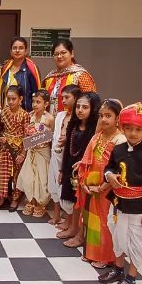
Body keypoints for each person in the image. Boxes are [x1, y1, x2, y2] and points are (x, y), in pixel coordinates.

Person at [98, 102, 142, 284]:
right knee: (117, 237)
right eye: (129, 129)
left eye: (138, 130)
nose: (133, 133)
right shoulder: (118, 150)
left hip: (138, 207)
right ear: (123, 128)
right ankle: (118, 269)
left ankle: (131, 278)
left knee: (136, 242)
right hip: (118, 204)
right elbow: (109, 167)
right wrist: (109, 175)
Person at [77, 99, 125, 269]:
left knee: (105, 222)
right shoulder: (97, 136)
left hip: (107, 188)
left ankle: (106, 257)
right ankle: (92, 253)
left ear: (117, 118)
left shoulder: (120, 139)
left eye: (108, 116)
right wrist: (83, 181)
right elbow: (86, 160)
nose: (104, 119)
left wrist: (101, 187)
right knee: (91, 220)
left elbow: (118, 170)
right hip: (90, 186)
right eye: (101, 115)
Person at [58, 91, 101, 247]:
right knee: (73, 200)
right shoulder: (74, 124)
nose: (80, 110)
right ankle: (73, 228)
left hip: (87, 170)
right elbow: (67, 150)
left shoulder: (96, 128)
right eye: (78, 106)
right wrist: (62, 170)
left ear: (93, 108)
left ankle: (81, 235)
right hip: (71, 168)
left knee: (83, 203)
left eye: (85, 107)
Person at [0, 85, 31, 211]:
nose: (10, 102)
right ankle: (1, 197)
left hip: (18, 148)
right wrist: (0, 137)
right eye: (8, 99)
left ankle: (15, 199)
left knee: (17, 174)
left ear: (20, 99)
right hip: (5, 147)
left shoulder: (25, 115)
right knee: (1, 171)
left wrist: (23, 154)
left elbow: (27, 136)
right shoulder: (4, 112)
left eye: (13, 99)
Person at [17, 90, 54, 218]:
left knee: (42, 178)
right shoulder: (29, 116)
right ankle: (31, 201)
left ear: (46, 104)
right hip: (31, 151)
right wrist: (23, 153)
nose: (35, 104)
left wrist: (42, 139)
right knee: (29, 177)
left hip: (43, 152)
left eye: (38, 102)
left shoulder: (49, 118)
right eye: (33, 102)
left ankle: (40, 203)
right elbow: (25, 136)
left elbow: (52, 136)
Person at [48, 85, 81, 226]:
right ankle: (56, 215)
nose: (64, 101)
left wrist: (67, 140)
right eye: (62, 98)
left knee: (66, 188)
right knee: (53, 185)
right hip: (55, 155)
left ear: (76, 98)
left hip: (68, 158)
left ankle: (69, 220)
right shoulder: (60, 115)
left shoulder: (78, 118)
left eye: (67, 97)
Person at [43, 39, 97, 113]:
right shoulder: (50, 77)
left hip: (73, 119)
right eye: (56, 54)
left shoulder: (81, 75)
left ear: (72, 53)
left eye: (63, 53)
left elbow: (91, 102)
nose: (59, 56)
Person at [0, 37, 40, 112]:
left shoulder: (31, 70)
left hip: (25, 113)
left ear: (25, 51)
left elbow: (36, 94)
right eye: (14, 48)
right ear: (11, 51)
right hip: (6, 113)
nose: (17, 50)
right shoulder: (4, 69)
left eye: (21, 48)